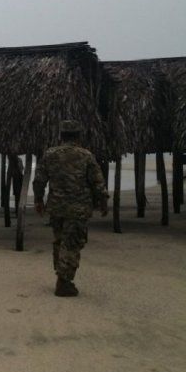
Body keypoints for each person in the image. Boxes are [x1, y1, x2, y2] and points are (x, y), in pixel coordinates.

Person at [33, 120, 109, 297]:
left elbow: (39, 180)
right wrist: (103, 200)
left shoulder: (50, 154)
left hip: (56, 207)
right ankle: (64, 281)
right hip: (78, 208)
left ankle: (61, 274)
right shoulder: (86, 155)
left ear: (61, 135)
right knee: (72, 243)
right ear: (78, 135)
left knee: (59, 240)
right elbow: (97, 181)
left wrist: (38, 200)